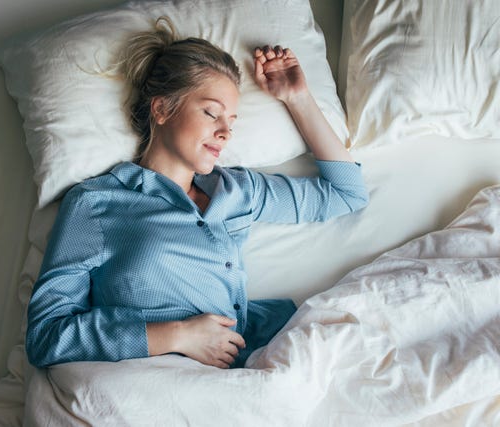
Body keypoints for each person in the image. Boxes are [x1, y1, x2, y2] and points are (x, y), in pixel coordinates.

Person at [25, 18, 368, 370]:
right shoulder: (97, 203)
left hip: (257, 360)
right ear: (162, 109)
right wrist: (178, 335)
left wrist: (297, 98)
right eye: (211, 113)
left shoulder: (238, 191)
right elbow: (46, 335)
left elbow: (348, 193)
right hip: (158, 380)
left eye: (231, 122)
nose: (224, 132)